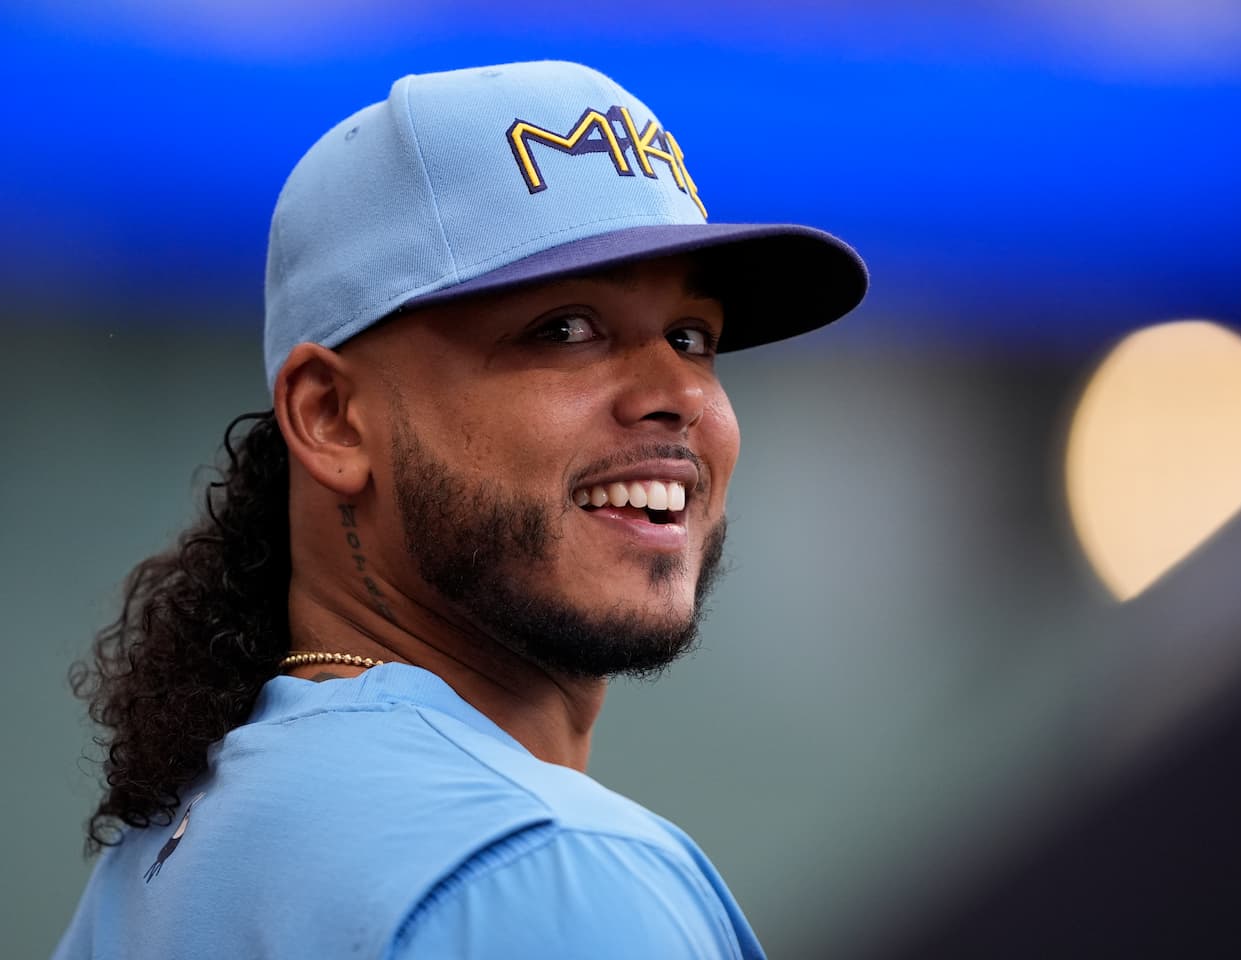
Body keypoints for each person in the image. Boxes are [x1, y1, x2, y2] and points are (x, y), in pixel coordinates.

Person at [54, 60, 866, 958]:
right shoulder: (545, 870)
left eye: (691, 337)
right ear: (330, 417)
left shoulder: (165, 855)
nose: (677, 392)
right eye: (565, 328)